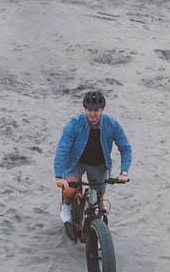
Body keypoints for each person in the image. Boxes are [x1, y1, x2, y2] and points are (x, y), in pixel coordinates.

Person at [54, 90, 131, 227]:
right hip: (76, 162)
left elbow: (125, 147)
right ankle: (65, 205)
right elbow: (62, 149)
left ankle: (98, 224)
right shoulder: (74, 124)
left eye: (96, 110)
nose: (92, 114)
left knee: (99, 197)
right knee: (70, 187)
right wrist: (59, 176)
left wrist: (123, 172)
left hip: (98, 164)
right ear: (85, 109)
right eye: (89, 109)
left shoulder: (112, 125)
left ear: (102, 110)